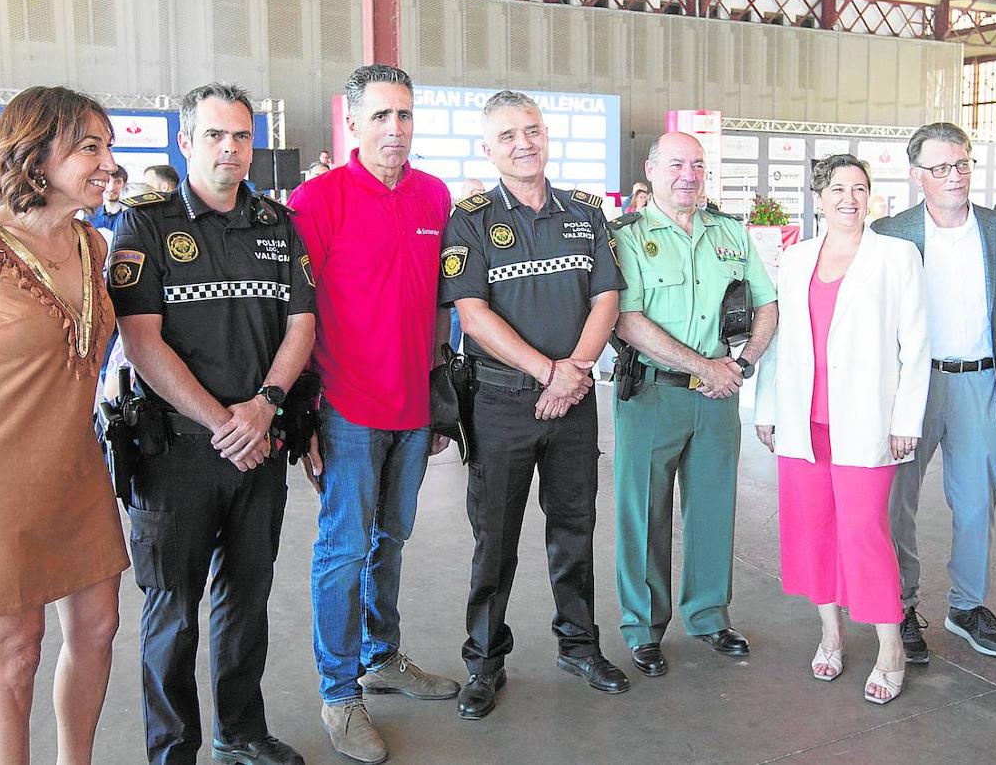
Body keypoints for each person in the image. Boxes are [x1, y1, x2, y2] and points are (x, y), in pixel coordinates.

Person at [0, 85, 128, 764]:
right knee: (14, 655)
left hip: (76, 469)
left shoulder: (93, 246)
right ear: (35, 156)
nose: (106, 164)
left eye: (108, 148)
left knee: (97, 630)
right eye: (89, 148)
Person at [110, 82, 315, 765]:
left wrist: (263, 406)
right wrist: (223, 421)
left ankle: (241, 730)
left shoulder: (277, 224)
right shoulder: (145, 224)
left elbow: (301, 325)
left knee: (247, 598)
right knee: (172, 611)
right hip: (176, 455)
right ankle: (172, 751)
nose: (231, 149)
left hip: (260, 442)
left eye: (242, 136)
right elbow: (142, 342)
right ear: (186, 141)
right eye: (215, 135)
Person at [287, 63, 459, 765]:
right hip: (346, 411)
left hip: (413, 409)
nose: (395, 129)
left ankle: (381, 657)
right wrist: (303, 417)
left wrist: (444, 407)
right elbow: (292, 313)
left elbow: (443, 308)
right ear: (351, 123)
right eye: (381, 116)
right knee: (343, 550)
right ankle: (338, 692)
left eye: (405, 116)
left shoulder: (434, 196)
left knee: (392, 539)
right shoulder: (317, 200)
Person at [440, 90, 629, 720]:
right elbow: (472, 313)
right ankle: (484, 663)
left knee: (574, 529)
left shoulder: (583, 211)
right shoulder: (467, 218)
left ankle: (578, 645)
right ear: (488, 148)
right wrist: (548, 370)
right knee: (495, 540)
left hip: (573, 402)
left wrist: (574, 373)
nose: (525, 143)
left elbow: (606, 298)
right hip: (500, 403)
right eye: (509, 135)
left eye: (533, 130)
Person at [754, 154, 929, 705]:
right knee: (814, 530)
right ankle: (830, 633)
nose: (849, 197)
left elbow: (916, 343)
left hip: (867, 420)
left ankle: (890, 645)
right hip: (804, 421)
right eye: (837, 188)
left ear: (871, 196)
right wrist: (768, 408)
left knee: (864, 533)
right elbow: (780, 342)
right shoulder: (798, 257)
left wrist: (906, 418)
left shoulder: (896, 255)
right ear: (818, 197)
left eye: (859, 187)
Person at [609, 132, 778, 677]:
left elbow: (767, 304)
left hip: (718, 395)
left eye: (698, 165)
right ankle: (643, 626)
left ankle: (709, 615)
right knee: (643, 513)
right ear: (652, 169)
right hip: (653, 393)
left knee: (712, 509)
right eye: (677, 163)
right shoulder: (628, 238)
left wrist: (742, 364)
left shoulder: (730, 233)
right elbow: (627, 320)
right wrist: (703, 366)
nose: (689, 174)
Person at [871, 122, 996, 665]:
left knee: (979, 500)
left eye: (961, 164)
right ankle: (901, 605)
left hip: (979, 379)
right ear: (916, 176)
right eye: (939, 168)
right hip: (912, 384)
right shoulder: (889, 232)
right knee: (896, 501)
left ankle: (967, 605)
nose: (954, 176)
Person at [449, 178, 488, 350]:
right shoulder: (454, 219)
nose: (478, 195)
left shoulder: (486, 218)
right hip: (455, 290)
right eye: (473, 192)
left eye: (481, 191)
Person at [89, 164, 128, 233]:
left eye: (117, 182)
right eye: (107, 181)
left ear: (124, 185)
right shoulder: (90, 215)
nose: (111, 188)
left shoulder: (130, 217)